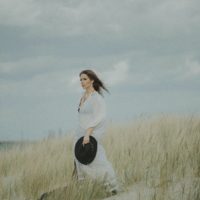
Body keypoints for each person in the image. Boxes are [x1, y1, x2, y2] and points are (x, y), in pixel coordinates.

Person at [72, 69, 120, 194]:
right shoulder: (82, 97)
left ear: (92, 81)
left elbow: (99, 117)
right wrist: (81, 134)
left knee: (98, 159)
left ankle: (112, 187)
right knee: (81, 161)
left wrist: (88, 133)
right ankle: (83, 189)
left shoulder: (96, 98)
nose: (82, 82)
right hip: (79, 134)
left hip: (90, 134)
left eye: (85, 79)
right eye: (80, 80)